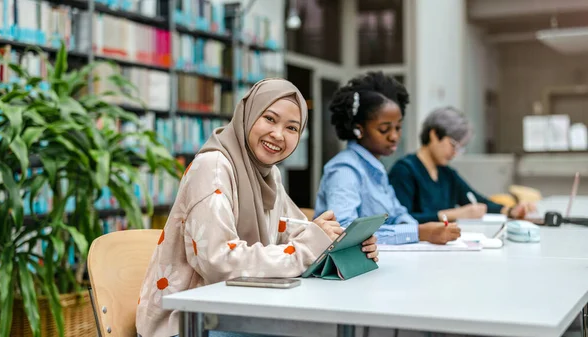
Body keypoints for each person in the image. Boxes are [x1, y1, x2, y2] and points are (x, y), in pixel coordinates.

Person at [136, 79, 379, 337]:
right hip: (186, 324)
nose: (278, 134)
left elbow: (297, 233)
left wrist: (342, 245)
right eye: (270, 119)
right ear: (248, 114)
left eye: (292, 128)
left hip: (236, 311)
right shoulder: (213, 168)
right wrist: (310, 246)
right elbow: (220, 263)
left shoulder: (269, 175)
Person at [314, 72, 461, 246]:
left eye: (398, 128)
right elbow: (344, 232)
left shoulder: (376, 169)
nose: (394, 136)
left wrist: (422, 229)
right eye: (384, 129)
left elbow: (398, 214)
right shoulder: (344, 170)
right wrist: (419, 232)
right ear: (358, 129)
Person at [388, 106, 534, 223]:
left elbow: (477, 201)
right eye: (453, 145)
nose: (455, 153)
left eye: (460, 148)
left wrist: (510, 211)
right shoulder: (404, 171)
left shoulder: (446, 174)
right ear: (434, 135)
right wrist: (455, 214)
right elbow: (401, 220)